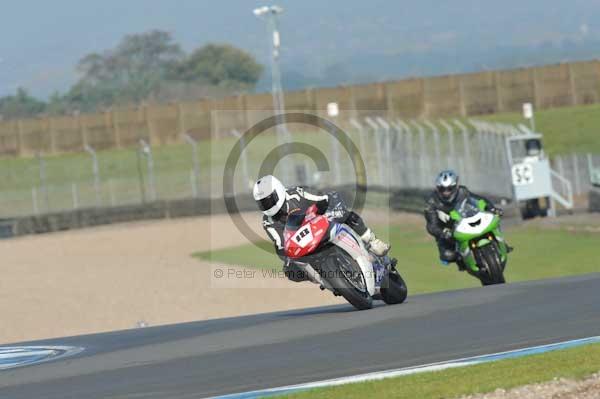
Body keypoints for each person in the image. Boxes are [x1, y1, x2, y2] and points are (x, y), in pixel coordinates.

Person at [253, 175, 390, 282]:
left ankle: (373, 242)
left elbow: (323, 198)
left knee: (346, 215)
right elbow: (280, 245)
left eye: (269, 200)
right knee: (290, 270)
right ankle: (324, 278)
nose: (267, 206)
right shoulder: (268, 221)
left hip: (321, 220)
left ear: (279, 191)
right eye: (262, 203)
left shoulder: (296, 193)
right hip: (304, 243)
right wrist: (288, 258)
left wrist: (329, 210)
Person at [424, 170, 505, 268]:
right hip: (448, 231)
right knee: (447, 256)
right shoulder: (431, 202)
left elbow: (480, 200)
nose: (446, 192)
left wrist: (492, 208)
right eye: (442, 189)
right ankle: (463, 260)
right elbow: (431, 225)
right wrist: (443, 233)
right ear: (438, 188)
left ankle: (501, 243)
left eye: (449, 188)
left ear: (455, 186)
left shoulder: (463, 191)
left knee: (493, 220)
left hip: (466, 220)